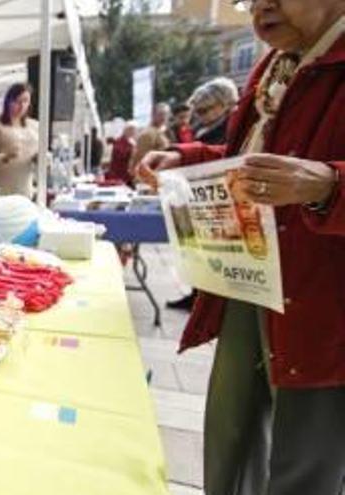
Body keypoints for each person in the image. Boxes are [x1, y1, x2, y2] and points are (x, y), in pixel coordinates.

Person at [137, 1, 345, 492]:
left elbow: (305, 171)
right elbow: (250, 158)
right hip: (251, 278)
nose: (261, 7)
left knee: (305, 456)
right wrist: (184, 158)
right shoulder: (274, 67)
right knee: (232, 432)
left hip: (322, 306)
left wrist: (329, 185)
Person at [167, 78, 240, 310]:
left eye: (205, 110)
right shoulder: (203, 127)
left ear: (224, 104)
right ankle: (196, 295)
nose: (200, 114)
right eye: (197, 111)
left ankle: (205, 301)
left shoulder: (233, 126)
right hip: (197, 196)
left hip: (218, 199)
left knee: (213, 256)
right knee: (196, 253)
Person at [0, 83, 39, 197]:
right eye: (17, 101)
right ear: (8, 101)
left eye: (25, 101)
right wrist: (6, 156)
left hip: (24, 191)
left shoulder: (35, 126)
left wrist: (41, 158)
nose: (21, 106)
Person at [189, 77, 239, 146]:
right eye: (197, 111)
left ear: (224, 104)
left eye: (203, 110)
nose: (199, 116)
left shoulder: (232, 128)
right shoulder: (199, 129)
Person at [129, 103, 171, 174]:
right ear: (153, 115)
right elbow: (140, 158)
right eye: (160, 114)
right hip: (150, 174)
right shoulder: (148, 134)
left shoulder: (167, 131)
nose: (163, 117)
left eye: (166, 114)